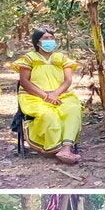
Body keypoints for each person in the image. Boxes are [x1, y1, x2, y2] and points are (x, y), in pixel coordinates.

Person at [13, 29, 82, 164]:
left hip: (61, 95)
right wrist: (46, 96)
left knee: (73, 109)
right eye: (45, 38)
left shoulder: (61, 58)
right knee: (49, 115)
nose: (50, 40)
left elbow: (67, 81)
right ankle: (54, 147)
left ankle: (66, 149)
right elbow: (24, 82)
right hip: (33, 97)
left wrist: (55, 94)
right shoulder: (28, 58)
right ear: (38, 42)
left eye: (51, 37)